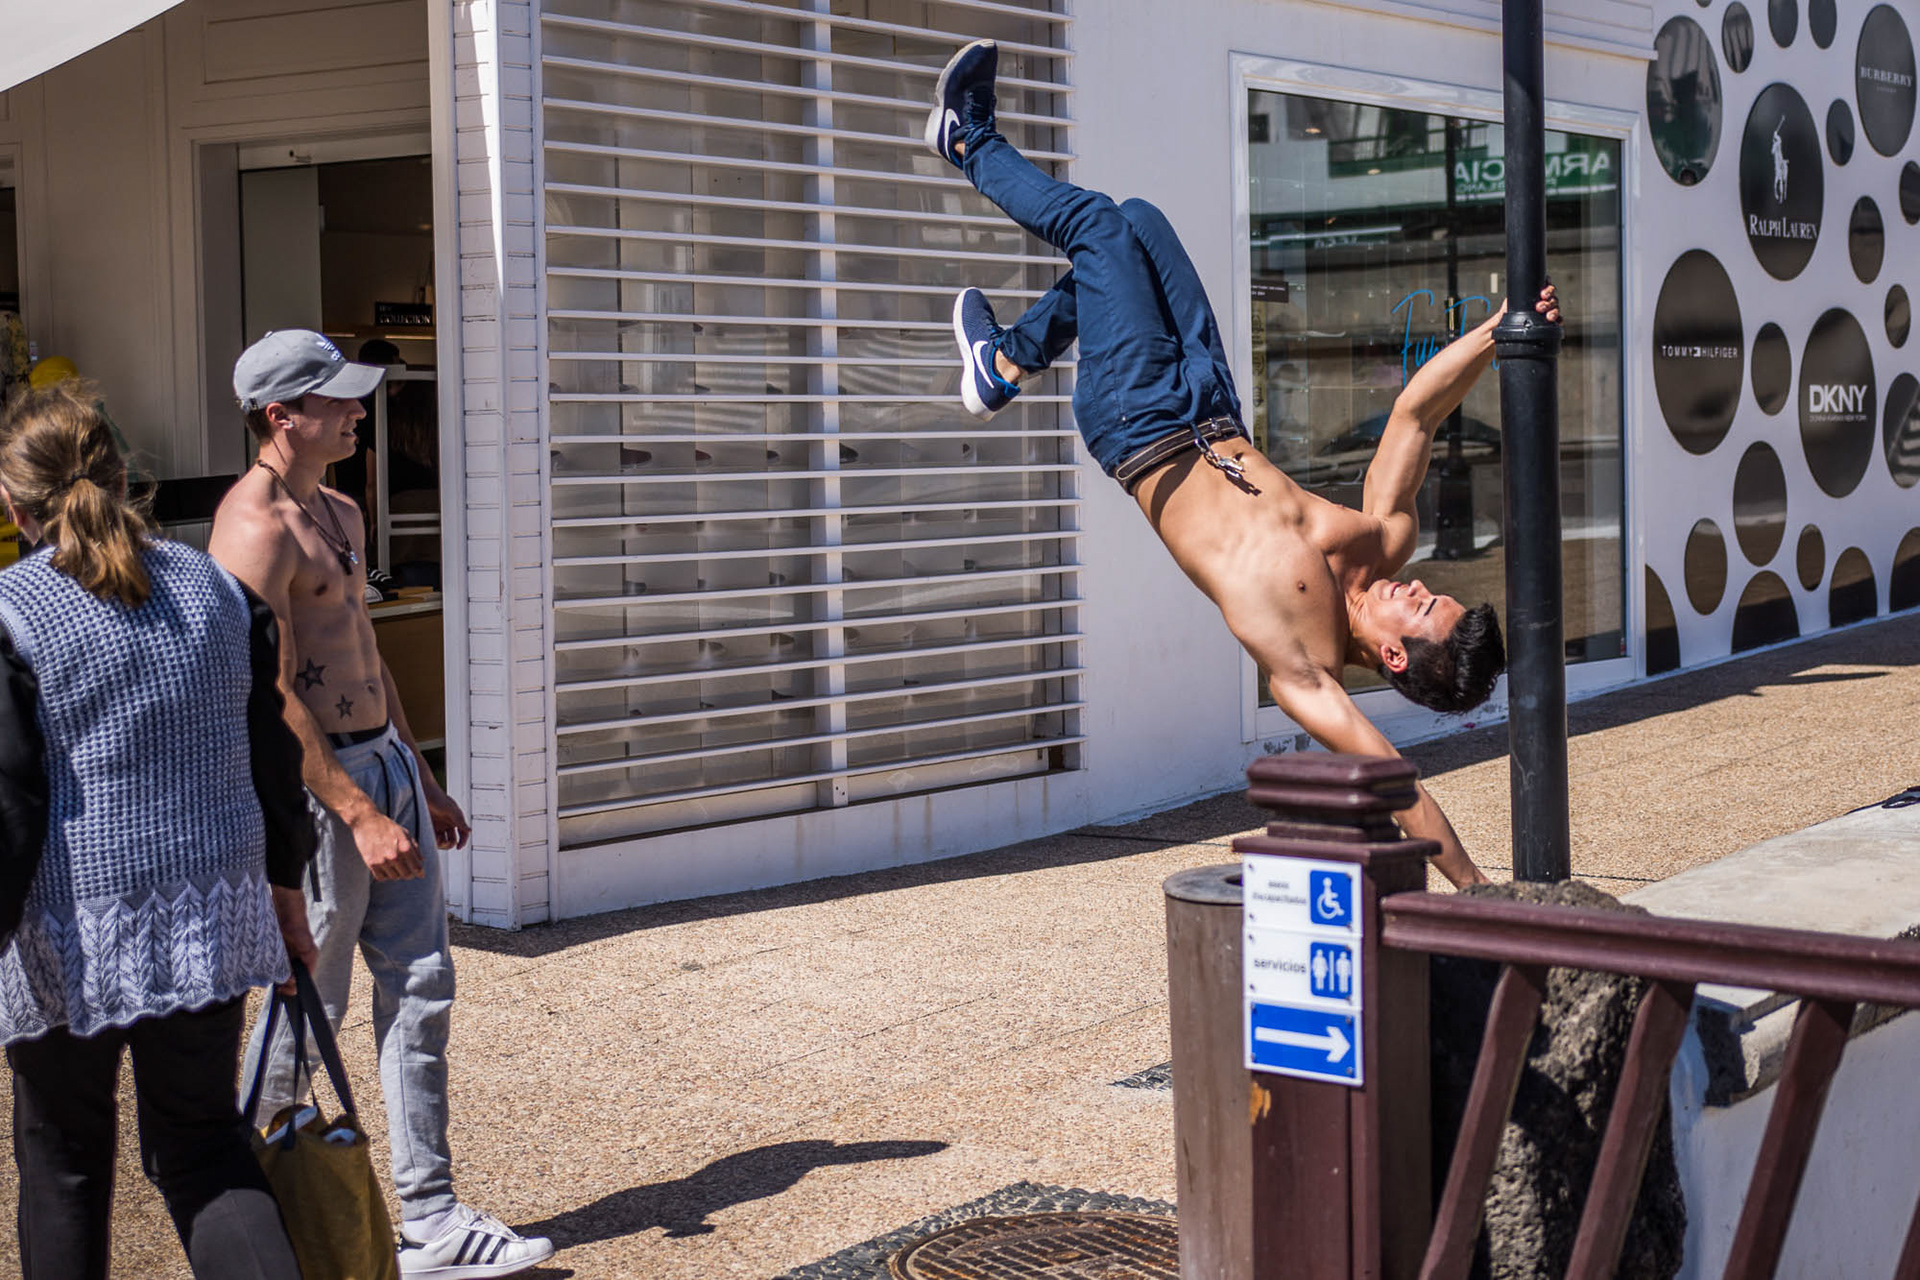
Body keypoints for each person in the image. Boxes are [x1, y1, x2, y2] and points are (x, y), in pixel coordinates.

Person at [928, 42, 1563, 886]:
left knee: (1099, 230)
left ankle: (966, 139)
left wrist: (1477, 889)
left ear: (1396, 657)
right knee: (1138, 221)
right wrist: (1500, 329)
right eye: (1429, 591)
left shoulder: (1305, 668)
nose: (1416, 586)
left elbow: (1400, 786)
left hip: (1143, 427)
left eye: (1421, 608)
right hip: (1211, 401)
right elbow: (1417, 412)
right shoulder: (1381, 540)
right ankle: (1004, 362)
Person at [210, 330, 554, 1277]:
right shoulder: (253, 528)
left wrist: (420, 780)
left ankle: (430, 1218)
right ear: (282, 415)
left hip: (387, 766)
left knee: (422, 985)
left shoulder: (343, 511)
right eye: (338, 399)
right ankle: (255, 1217)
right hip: (320, 792)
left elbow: (364, 651)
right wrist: (357, 812)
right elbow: (271, 689)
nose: (359, 411)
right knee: (306, 1003)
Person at [0, 381, 317, 1279]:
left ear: (14, 503)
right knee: (203, 1146)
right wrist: (285, 886)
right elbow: (272, 755)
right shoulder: (218, 591)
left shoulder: (13, 611)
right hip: (210, 911)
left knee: (63, 1163)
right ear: (121, 474)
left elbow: (10, 805)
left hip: (68, 931)